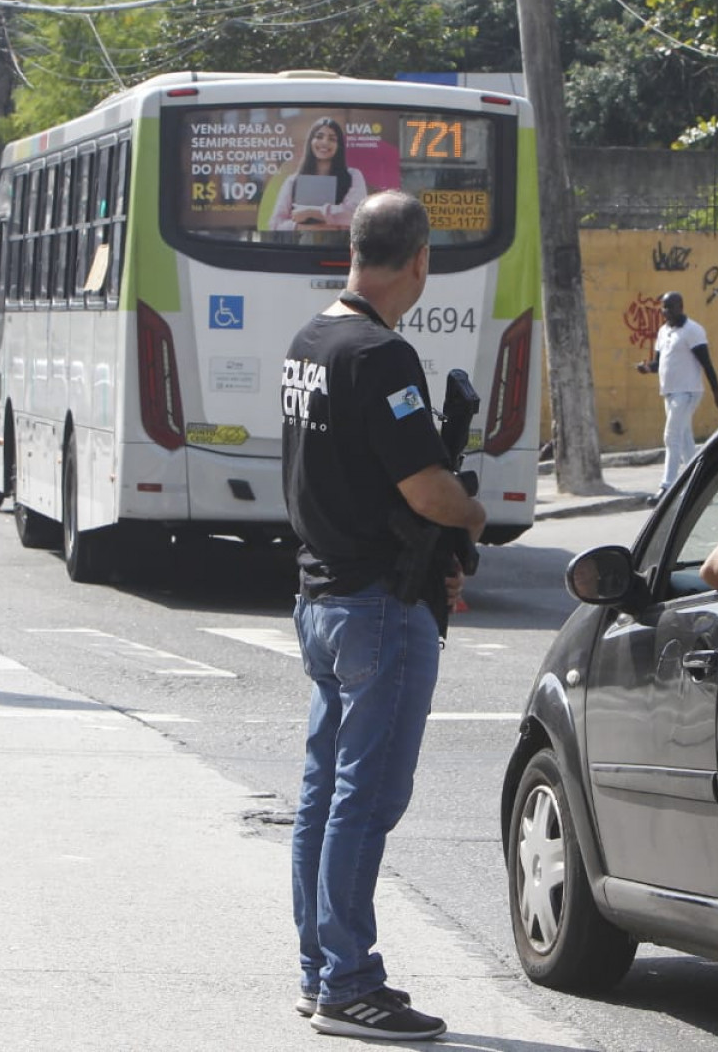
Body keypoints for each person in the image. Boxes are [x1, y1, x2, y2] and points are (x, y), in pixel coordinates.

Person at [280, 189, 485, 1041]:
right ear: (420, 260)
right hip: (379, 606)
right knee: (364, 801)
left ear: (356, 248)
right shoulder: (382, 354)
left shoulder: (310, 340)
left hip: (322, 598)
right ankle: (349, 984)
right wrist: (473, 514)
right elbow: (427, 489)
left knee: (325, 795)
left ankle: (319, 970)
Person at [634, 291, 718, 496]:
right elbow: (659, 363)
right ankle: (702, 484)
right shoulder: (663, 331)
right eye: (663, 307)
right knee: (685, 439)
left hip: (687, 392)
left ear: (680, 307)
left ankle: (667, 487)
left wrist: (717, 392)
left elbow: (706, 363)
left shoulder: (692, 330)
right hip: (669, 392)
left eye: (670, 307)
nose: (665, 311)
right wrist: (647, 368)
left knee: (671, 436)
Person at [270, 117, 368, 231]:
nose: (325, 142)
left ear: (339, 145)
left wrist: (312, 213)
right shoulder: (293, 181)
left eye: (332, 139)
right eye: (319, 137)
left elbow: (357, 213)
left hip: (342, 242)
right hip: (302, 241)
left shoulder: (353, 176)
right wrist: (310, 227)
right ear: (310, 141)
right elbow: (275, 224)